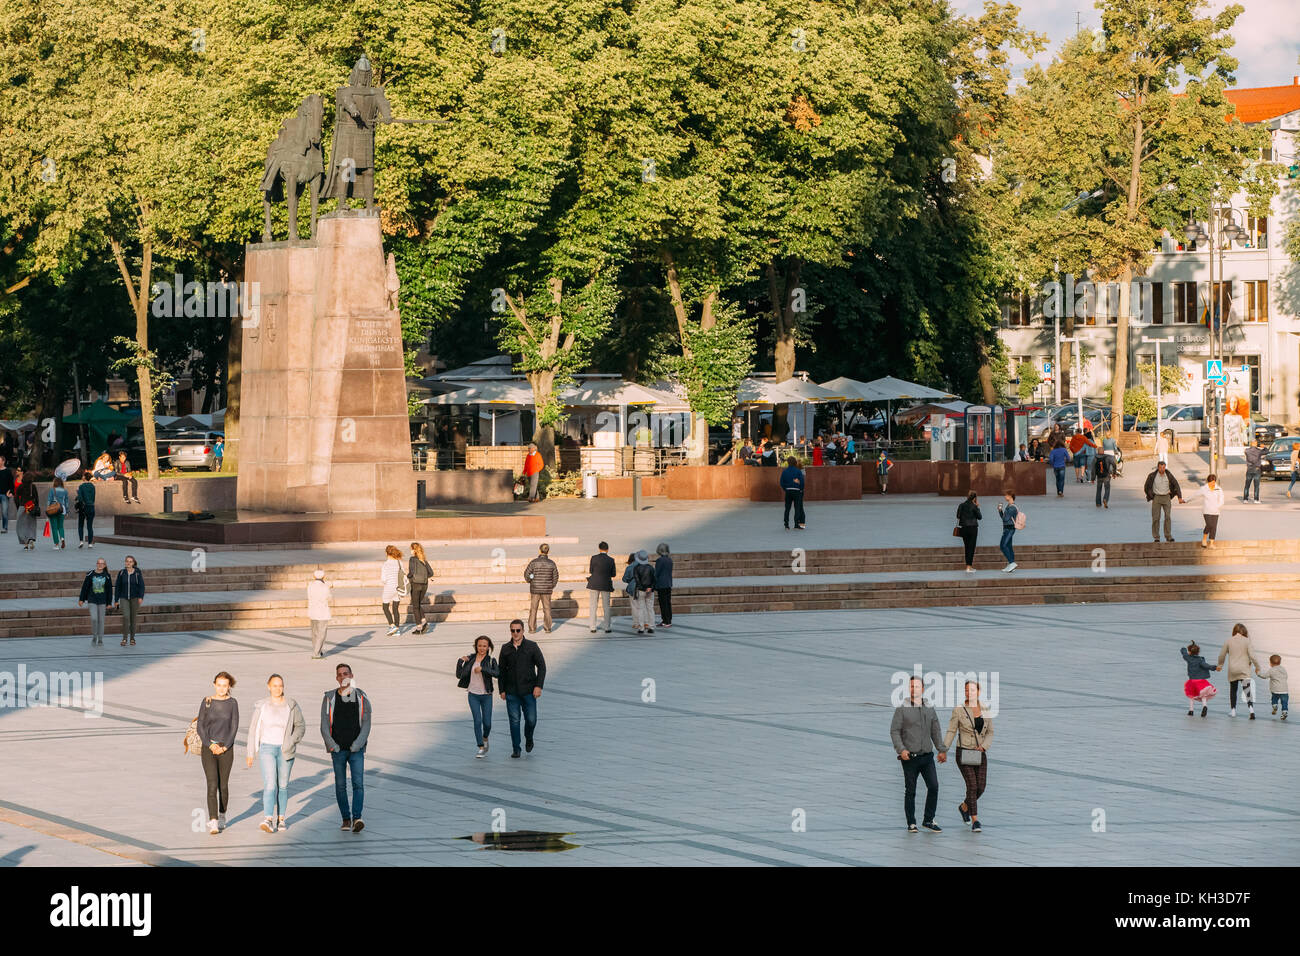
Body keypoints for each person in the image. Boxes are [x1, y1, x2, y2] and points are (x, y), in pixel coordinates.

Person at [245, 674, 306, 833]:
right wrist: (251, 752)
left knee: (283, 786)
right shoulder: (262, 706)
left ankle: (281, 819)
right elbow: (253, 729)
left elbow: (300, 726)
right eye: (274, 685)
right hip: (267, 748)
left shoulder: (291, 705)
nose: (278, 688)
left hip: (285, 750)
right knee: (270, 784)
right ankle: (268, 819)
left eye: (280, 685)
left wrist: (292, 740)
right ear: (268, 686)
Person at [889, 676, 948, 833]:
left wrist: (941, 749)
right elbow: (895, 731)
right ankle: (911, 823)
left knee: (934, 786)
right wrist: (901, 749)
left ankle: (928, 819)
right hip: (910, 757)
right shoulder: (902, 708)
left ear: (923, 689)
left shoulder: (929, 708)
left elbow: (935, 730)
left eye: (917, 686)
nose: (914, 689)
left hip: (927, 756)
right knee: (911, 790)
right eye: (911, 686)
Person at [322, 663, 372, 832]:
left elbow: (366, 723)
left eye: (346, 673)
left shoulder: (361, 696)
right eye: (340, 674)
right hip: (338, 750)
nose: (343, 676)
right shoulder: (330, 698)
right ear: (337, 678)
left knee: (358, 784)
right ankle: (345, 818)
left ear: (352, 675)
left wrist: (358, 744)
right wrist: (332, 746)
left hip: (356, 750)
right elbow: (324, 724)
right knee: (340, 785)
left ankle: (357, 818)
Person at [944, 681, 993, 832]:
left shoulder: (985, 708)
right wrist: (943, 749)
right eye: (966, 690)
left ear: (978, 692)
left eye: (972, 690)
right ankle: (975, 820)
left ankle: (964, 806)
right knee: (972, 786)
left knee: (981, 787)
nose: (969, 693)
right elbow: (951, 731)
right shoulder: (959, 710)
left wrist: (984, 746)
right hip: (964, 752)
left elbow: (990, 732)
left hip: (980, 753)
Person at [197, 672, 239, 835]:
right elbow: (200, 726)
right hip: (208, 748)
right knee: (212, 784)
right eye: (219, 684)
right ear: (214, 684)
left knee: (223, 785)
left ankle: (222, 814)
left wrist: (225, 746)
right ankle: (213, 820)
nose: (222, 688)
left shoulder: (233, 703)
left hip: (226, 749)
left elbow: (234, 727)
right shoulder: (206, 702)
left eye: (225, 685)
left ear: (229, 686)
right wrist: (209, 745)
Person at [498, 619, 546, 758]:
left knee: (531, 720)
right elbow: (501, 670)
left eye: (518, 630)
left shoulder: (532, 646)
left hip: (529, 691)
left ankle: (529, 737)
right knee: (514, 721)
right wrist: (502, 690)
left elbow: (542, 667)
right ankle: (516, 748)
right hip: (512, 692)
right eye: (512, 630)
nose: (515, 633)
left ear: (523, 631)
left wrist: (538, 686)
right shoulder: (505, 648)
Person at [457, 636, 498, 757]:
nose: (482, 648)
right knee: (477, 721)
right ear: (476, 646)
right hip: (473, 694)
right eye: (479, 645)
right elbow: (459, 675)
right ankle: (480, 747)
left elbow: (497, 673)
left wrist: (483, 669)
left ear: (489, 647)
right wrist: (460, 662)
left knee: (487, 723)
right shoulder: (470, 659)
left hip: (486, 695)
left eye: (484, 646)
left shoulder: (491, 660)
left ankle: (485, 738)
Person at [1216, 623, 1260, 719]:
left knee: (1233, 690)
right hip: (1244, 668)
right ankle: (1251, 710)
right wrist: (1257, 667)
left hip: (1233, 669)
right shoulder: (1247, 641)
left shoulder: (1229, 641)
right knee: (1247, 690)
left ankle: (1233, 711)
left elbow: (1222, 655)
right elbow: (1253, 656)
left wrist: (1220, 665)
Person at [1143, 461, 1185, 543]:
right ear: (1157, 467)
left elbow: (1176, 484)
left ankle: (1168, 536)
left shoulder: (1168, 475)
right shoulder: (1152, 476)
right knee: (1156, 518)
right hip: (1156, 497)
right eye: (1160, 467)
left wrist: (1179, 497)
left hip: (1166, 497)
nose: (1162, 469)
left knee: (1168, 517)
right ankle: (1156, 537)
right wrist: (1151, 495)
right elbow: (1146, 487)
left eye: (1163, 467)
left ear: (1165, 467)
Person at [78, 557, 114, 646]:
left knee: (101, 620)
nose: (100, 565)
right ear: (96, 564)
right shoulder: (90, 574)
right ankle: (94, 636)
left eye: (102, 563)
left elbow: (109, 590)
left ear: (104, 565)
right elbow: (84, 587)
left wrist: (109, 603)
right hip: (92, 600)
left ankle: (100, 638)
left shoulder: (107, 576)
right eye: (99, 563)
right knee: (94, 618)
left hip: (102, 600)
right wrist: (81, 599)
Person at [523, 543, 558, 634]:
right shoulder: (552, 563)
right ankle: (547, 628)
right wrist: (551, 585)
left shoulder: (534, 562)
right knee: (547, 609)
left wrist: (530, 581)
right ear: (548, 551)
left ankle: (532, 628)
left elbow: (527, 574)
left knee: (533, 609)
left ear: (539, 550)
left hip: (535, 589)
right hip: (547, 590)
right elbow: (555, 577)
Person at [114, 555, 145, 647]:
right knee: (126, 617)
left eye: (130, 561)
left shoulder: (137, 573)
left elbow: (142, 586)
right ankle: (124, 638)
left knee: (133, 619)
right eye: (127, 561)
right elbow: (117, 587)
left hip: (135, 598)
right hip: (124, 598)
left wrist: (140, 597)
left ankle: (132, 638)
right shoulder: (121, 573)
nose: (128, 563)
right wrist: (116, 600)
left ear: (133, 563)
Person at [1181, 642, 1218, 718]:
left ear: (1190, 652)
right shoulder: (1200, 660)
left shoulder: (1188, 658)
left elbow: (1184, 654)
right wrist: (1214, 667)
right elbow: (1206, 666)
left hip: (1192, 681)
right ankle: (1204, 706)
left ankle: (1191, 710)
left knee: (1191, 695)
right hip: (1201, 681)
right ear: (1198, 652)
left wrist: (1183, 649)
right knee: (1203, 695)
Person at [586, 541, 616, 633]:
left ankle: (592, 627)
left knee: (593, 606)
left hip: (594, 583)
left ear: (599, 549)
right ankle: (607, 627)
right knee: (606, 606)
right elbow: (613, 574)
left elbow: (591, 571)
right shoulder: (611, 560)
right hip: (606, 584)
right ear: (607, 549)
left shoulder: (594, 558)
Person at [407, 541, 432, 634]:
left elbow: (411, 572)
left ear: (414, 550)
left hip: (416, 584)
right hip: (424, 585)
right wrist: (424, 577)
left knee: (415, 606)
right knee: (417, 604)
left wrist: (406, 578)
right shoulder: (423, 560)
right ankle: (424, 622)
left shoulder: (412, 559)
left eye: (411, 549)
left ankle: (419, 627)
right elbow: (431, 573)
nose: (410, 551)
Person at [379, 544, 404, 636]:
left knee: (385, 607)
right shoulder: (399, 563)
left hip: (388, 588)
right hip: (398, 588)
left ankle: (392, 625)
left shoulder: (385, 564)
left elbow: (383, 579)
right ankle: (397, 630)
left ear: (386, 553)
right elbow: (403, 574)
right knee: (395, 609)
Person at [12, 467, 39, 550]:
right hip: (31, 508)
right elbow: (36, 498)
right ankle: (31, 538)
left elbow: (16, 497)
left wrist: (18, 506)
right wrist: (36, 507)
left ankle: (26, 543)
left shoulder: (21, 486)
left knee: (21, 526)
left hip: (23, 507)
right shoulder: (33, 486)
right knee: (31, 525)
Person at [629, 550, 656, 634]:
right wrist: (650, 587)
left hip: (641, 591)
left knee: (640, 608)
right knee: (650, 608)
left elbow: (637, 581)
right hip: (650, 591)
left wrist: (644, 588)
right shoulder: (651, 568)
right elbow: (654, 580)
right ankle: (651, 627)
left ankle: (641, 628)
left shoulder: (636, 568)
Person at [307, 568, 332, 658]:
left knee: (314, 633)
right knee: (321, 633)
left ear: (314, 576)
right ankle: (316, 653)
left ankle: (316, 649)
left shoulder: (310, 586)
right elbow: (329, 598)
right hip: (322, 613)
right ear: (323, 576)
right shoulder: (325, 586)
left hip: (313, 612)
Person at [1255, 654, 1288, 720]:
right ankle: (1284, 712)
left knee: (1274, 699)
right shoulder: (1283, 669)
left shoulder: (1271, 670)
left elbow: (1264, 676)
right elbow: (1286, 676)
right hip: (1284, 690)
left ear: (1271, 663)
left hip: (1275, 690)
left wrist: (1258, 673)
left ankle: (1275, 706)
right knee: (1284, 702)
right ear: (1280, 662)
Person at [1196, 474, 1225, 549]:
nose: (1212, 484)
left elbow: (1221, 500)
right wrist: (1185, 500)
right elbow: (1195, 495)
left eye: (1213, 482)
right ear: (1208, 482)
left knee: (1214, 527)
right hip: (1207, 510)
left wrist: (1218, 507)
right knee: (1209, 525)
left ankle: (1211, 543)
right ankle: (1204, 539)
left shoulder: (1218, 489)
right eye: (1210, 482)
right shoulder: (1204, 488)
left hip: (1216, 511)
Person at [956, 491, 981, 573]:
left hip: (964, 528)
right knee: (971, 547)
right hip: (973, 528)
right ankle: (969, 567)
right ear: (974, 498)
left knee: (967, 547)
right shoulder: (974, 506)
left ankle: (968, 566)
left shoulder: (961, 505)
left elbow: (958, 516)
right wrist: (977, 507)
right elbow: (980, 517)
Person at [780, 455, 806, 530]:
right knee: (797, 507)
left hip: (788, 491)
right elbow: (801, 482)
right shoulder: (798, 471)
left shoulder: (785, 471)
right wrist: (801, 489)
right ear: (795, 463)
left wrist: (785, 489)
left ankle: (786, 525)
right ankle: (796, 524)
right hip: (796, 491)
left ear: (788, 463)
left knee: (787, 508)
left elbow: (781, 482)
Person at [43, 476, 69, 550]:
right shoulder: (65, 491)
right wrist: (67, 511)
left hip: (53, 509)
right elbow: (67, 502)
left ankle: (56, 544)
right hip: (62, 509)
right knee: (60, 526)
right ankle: (62, 538)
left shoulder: (52, 490)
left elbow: (49, 500)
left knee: (54, 528)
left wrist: (48, 509)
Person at [996, 491, 1019, 572]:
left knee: (1003, 545)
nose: (1005, 496)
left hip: (1009, 529)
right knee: (1009, 546)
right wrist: (1000, 511)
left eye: (1006, 495)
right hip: (1008, 528)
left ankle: (1012, 563)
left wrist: (1003, 512)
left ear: (1010, 496)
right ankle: (1011, 565)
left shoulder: (1011, 507)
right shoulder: (1009, 506)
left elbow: (1005, 519)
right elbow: (1004, 518)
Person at [654, 542, 673, 628]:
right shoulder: (670, 560)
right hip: (668, 583)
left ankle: (666, 620)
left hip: (661, 584)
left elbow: (656, 573)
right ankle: (668, 620)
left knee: (663, 603)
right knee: (668, 602)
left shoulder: (659, 560)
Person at [74, 475, 96, 547]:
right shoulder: (92, 486)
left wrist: (78, 492)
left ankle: (81, 541)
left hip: (83, 508)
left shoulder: (81, 486)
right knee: (90, 526)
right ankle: (90, 543)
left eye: (83, 476)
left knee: (80, 525)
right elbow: (93, 497)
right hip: (91, 506)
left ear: (84, 477)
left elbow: (80, 498)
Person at [1242, 438, 1264, 503]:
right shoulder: (1259, 451)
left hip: (1249, 469)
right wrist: (1264, 447)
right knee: (1256, 486)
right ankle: (1256, 499)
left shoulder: (1247, 450)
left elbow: (1245, 452)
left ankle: (1245, 499)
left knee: (1247, 485)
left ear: (1251, 443)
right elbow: (1267, 451)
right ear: (1256, 443)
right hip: (1257, 469)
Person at [0, 454, 11, 534]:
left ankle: (5, 527)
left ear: (3, 461)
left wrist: (10, 492)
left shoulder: (7, 471)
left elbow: (11, 483)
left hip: (4, 494)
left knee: (4, 512)